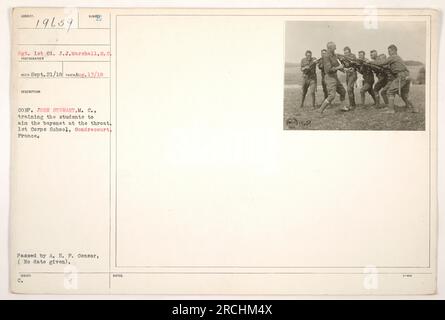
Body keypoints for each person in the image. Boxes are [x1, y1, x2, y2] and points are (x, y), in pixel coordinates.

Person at [370, 44, 418, 113]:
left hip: (401, 76)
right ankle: (413, 108)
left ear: (394, 50)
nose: (388, 53)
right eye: (388, 51)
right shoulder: (397, 58)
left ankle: (391, 110)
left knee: (390, 91)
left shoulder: (393, 57)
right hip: (406, 76)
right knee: (404, 94)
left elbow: (382, 63)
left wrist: (371, 62)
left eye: (389, 51)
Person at [318, 42, 347, 113]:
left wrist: (346, 69)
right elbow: (328, 70)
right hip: (330, 77)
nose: (336, 48)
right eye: (334, 47)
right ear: (329, 48)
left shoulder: (334, 55)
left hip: (334, 77)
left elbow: (337, 65)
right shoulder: (326, 56)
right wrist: (339, 67)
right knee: (332, 96)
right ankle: (320, 110)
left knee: (343, 91)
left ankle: (342, 107)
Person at [342, 46, 358, 111]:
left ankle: (352, 105)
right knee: (350, 90)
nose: (346, 54)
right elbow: (342, 67)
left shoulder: (353, 56)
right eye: (345, 53)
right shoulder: (343, 58)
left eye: (347, 52)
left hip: (353, 74)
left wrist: (353, 68)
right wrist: (346, 69)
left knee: (349, 89)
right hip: (347, 75)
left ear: (350, 52)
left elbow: (357, 64)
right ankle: (353, 104)